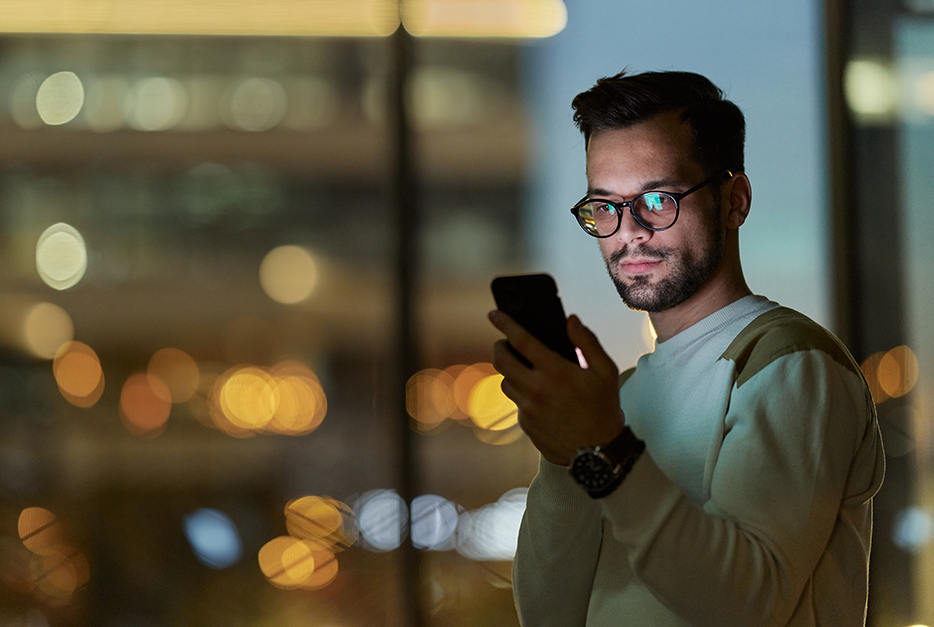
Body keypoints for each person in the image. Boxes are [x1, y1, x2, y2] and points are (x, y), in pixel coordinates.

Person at [489, 70, 885, 627]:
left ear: (734, 201)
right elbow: (550, 613)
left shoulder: (789, 362)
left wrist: (604, 447)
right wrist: (565, 458)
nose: (629, 232)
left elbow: (743, 603)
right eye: (604, 207)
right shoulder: (618, 397)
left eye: (657, 198)